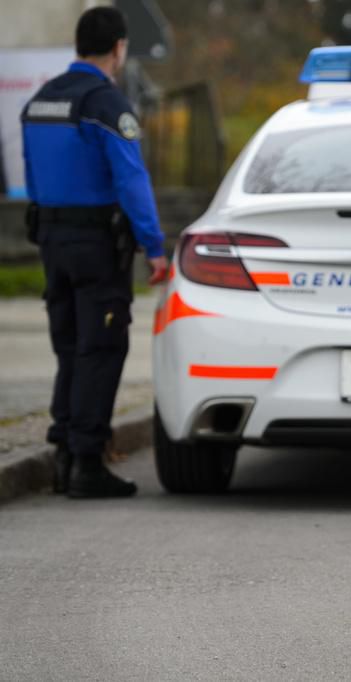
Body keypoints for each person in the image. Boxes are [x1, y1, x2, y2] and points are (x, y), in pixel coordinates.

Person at [21, 6, 167, 498]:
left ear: (79, 45)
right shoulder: (107, 105)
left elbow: (32, 174)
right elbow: (131, 180)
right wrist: (154, 246)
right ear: (119, 48)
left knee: (69, 347)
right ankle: (87, 463)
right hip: (95, 245)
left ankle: (64, 454)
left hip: (51, 239)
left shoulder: (41, 100)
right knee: (101, 347)